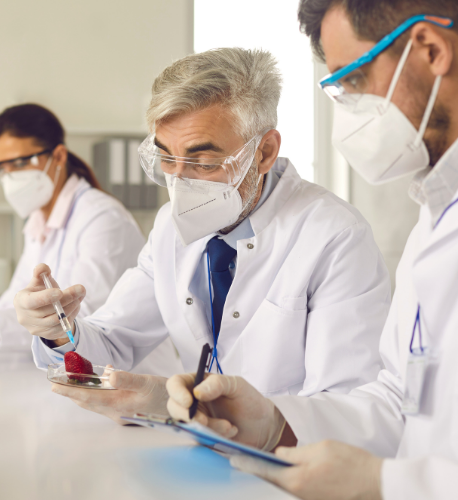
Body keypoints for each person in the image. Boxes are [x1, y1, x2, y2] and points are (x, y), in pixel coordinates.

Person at [166, 2, 458, 499]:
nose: (347, 112)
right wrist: (272, 421)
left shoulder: (341, 229)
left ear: (430, 49)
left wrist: (386, 483)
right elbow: (398, 400)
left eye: (356, 81)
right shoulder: (435, 215)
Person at [13, 48, 390, 427]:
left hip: (295, 471)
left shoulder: (334, 236)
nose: (180, 182)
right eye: (166, 159)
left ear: (264, 152)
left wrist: (203, 410)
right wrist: (58, 333)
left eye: (204, 163)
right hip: (204, 454)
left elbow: (347, 409)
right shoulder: (169, 228)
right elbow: (113, 341)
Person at [0, 104, 179, 375]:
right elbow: (14, 303)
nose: (10, 178)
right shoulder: (37, 224)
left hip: (138, 384)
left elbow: (80, 315)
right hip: (75, 378)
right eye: (1, 169)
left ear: (59, 156)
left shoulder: (102, 217)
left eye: (19, 163)